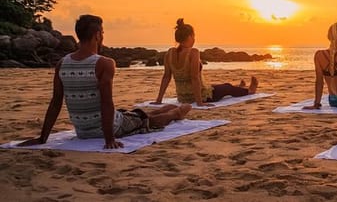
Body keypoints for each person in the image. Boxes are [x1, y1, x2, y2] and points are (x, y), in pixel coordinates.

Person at [18, 15, 191, 150]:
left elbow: (55, 103)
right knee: (148, 121)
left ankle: (170, 109)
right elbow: (106, 103)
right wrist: (109, 139)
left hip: (82, 131)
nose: (102, 36)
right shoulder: (104, 63)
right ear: (97, 35)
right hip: (110, 127)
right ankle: (176, 113)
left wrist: (43, 138)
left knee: (138, 115)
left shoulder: (62, 63)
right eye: (102, 33)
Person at [154, 19, 258, 106]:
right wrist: (200, 102)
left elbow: (166, 77)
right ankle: (249, 91)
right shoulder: (193, 52)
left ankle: (239, 88)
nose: (194, 39)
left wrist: (159, 100)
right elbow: (194, 78)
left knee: (219, 86)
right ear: (190, 37)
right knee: (227, 88)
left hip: (182, 98)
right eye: (194, 36)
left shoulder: (169, 53)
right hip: (200, 97)